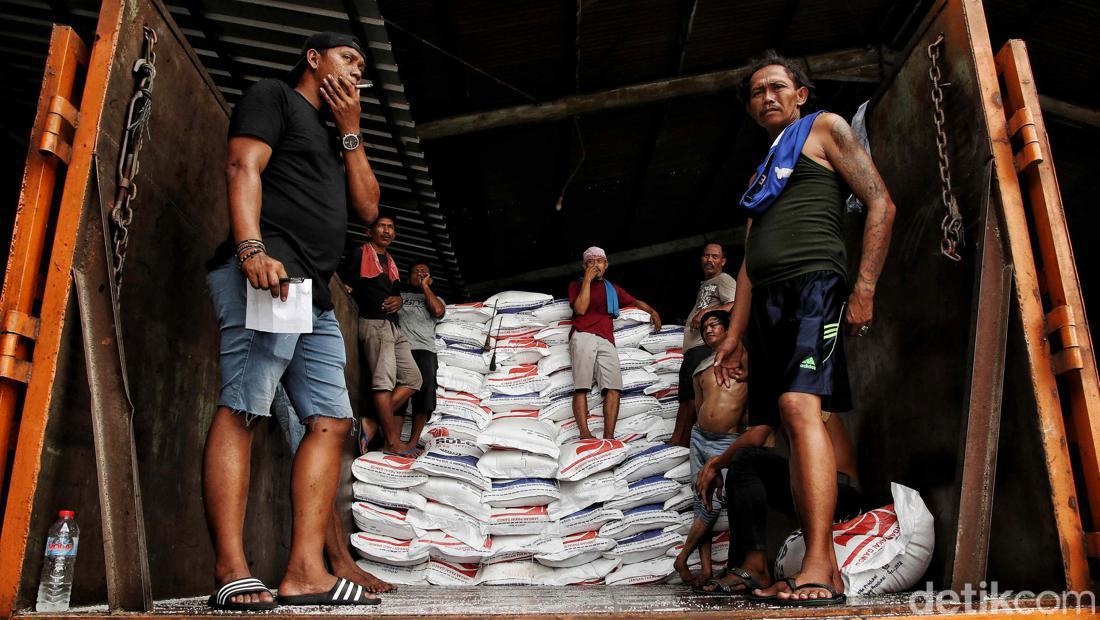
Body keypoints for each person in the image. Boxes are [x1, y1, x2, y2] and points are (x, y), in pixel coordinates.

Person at [203, 31, 383, 609]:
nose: (357, 71)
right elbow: (242, 166)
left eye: (361, 65)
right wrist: (252, 249)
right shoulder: (273, 96)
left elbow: (370, 206)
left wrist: (350, 130)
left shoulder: (336, 141)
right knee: (244, 406)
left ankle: (306, 570)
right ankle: (231, 568)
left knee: (331, 422)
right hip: (271, 271)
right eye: (347, 59)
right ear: (313, 58)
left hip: (315, 292)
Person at [712, 51, 896, 606]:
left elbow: (881, 204)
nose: (766, 97)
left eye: (776, 87)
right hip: (766, 302)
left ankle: (822, 565)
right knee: (787, 427)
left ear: (800, 95)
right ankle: (808, 565)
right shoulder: (762, 172)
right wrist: (735, 334)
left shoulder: (824, 129)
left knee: (798, 408)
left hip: (815, 286)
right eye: (756, 92)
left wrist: (863, 287)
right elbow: (748, 261)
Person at [694, 411, 862, 595]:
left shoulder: (792, 393)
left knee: (745, 458)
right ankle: (741, 565)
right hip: (826, 492)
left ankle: (754, 568)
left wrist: (714, 464)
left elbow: (756, 437)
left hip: (843, 497)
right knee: (743, 462)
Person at [671, 309, 761, 586]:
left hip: (727, 442)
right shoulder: (701, 368)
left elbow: (752, 411)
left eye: (715, 326)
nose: (708, 330)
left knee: (713, 504)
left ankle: (682, 558)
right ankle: (706, 569)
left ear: (729, 331)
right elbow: (698, 406)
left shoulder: (745, 362)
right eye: (706, 327)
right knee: (703, 502)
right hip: (700, 438)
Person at [340, 213, 423, 455]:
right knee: (383, 384)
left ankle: (372, 421)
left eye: (390, 227)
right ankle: (392, 442)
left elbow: (395, 294)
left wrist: (399, 299)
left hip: (395, 327)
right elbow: (345, 287)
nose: (386, 231)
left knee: (413, 379)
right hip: (375, 323)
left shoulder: (391, 263)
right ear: (370, 232)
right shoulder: (360, 254)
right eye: (381, 226)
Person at [568, 246, 661, 440]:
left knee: (613, 387)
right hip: (583, 334)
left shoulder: (612, 289)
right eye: (590, 262)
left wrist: (652, 311)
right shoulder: (576, 286)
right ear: (584, 266)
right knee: (581, 386)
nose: (595, 265)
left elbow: (635, 302)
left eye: (599, 261)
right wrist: (587, 279)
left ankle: (609, 436)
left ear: (606, 264)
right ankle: (585, 434)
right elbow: (581, 309)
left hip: (606, 339)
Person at [669, 243, 737, 447]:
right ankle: (680, 439)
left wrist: (707, 313)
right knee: (685, 396)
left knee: (690, 396)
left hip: (703, 347)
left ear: (723, 261)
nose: (709, 260)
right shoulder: (706, 284)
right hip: (693, 350)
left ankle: (680, 440)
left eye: (715, 256)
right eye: (706, 256)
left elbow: (736, 304)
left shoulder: (723, 279)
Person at [397, 262, 446, 446]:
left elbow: (438, 312)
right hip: (401, 349)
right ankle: (393, 440)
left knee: (424, 396)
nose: (420, 274)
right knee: (398, 392)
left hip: (425, 350)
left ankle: (412, 443)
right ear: (408, 277)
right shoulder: (400, 296)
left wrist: (425, 287)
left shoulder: (436, 298)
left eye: (425, 272)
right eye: (416, 271)